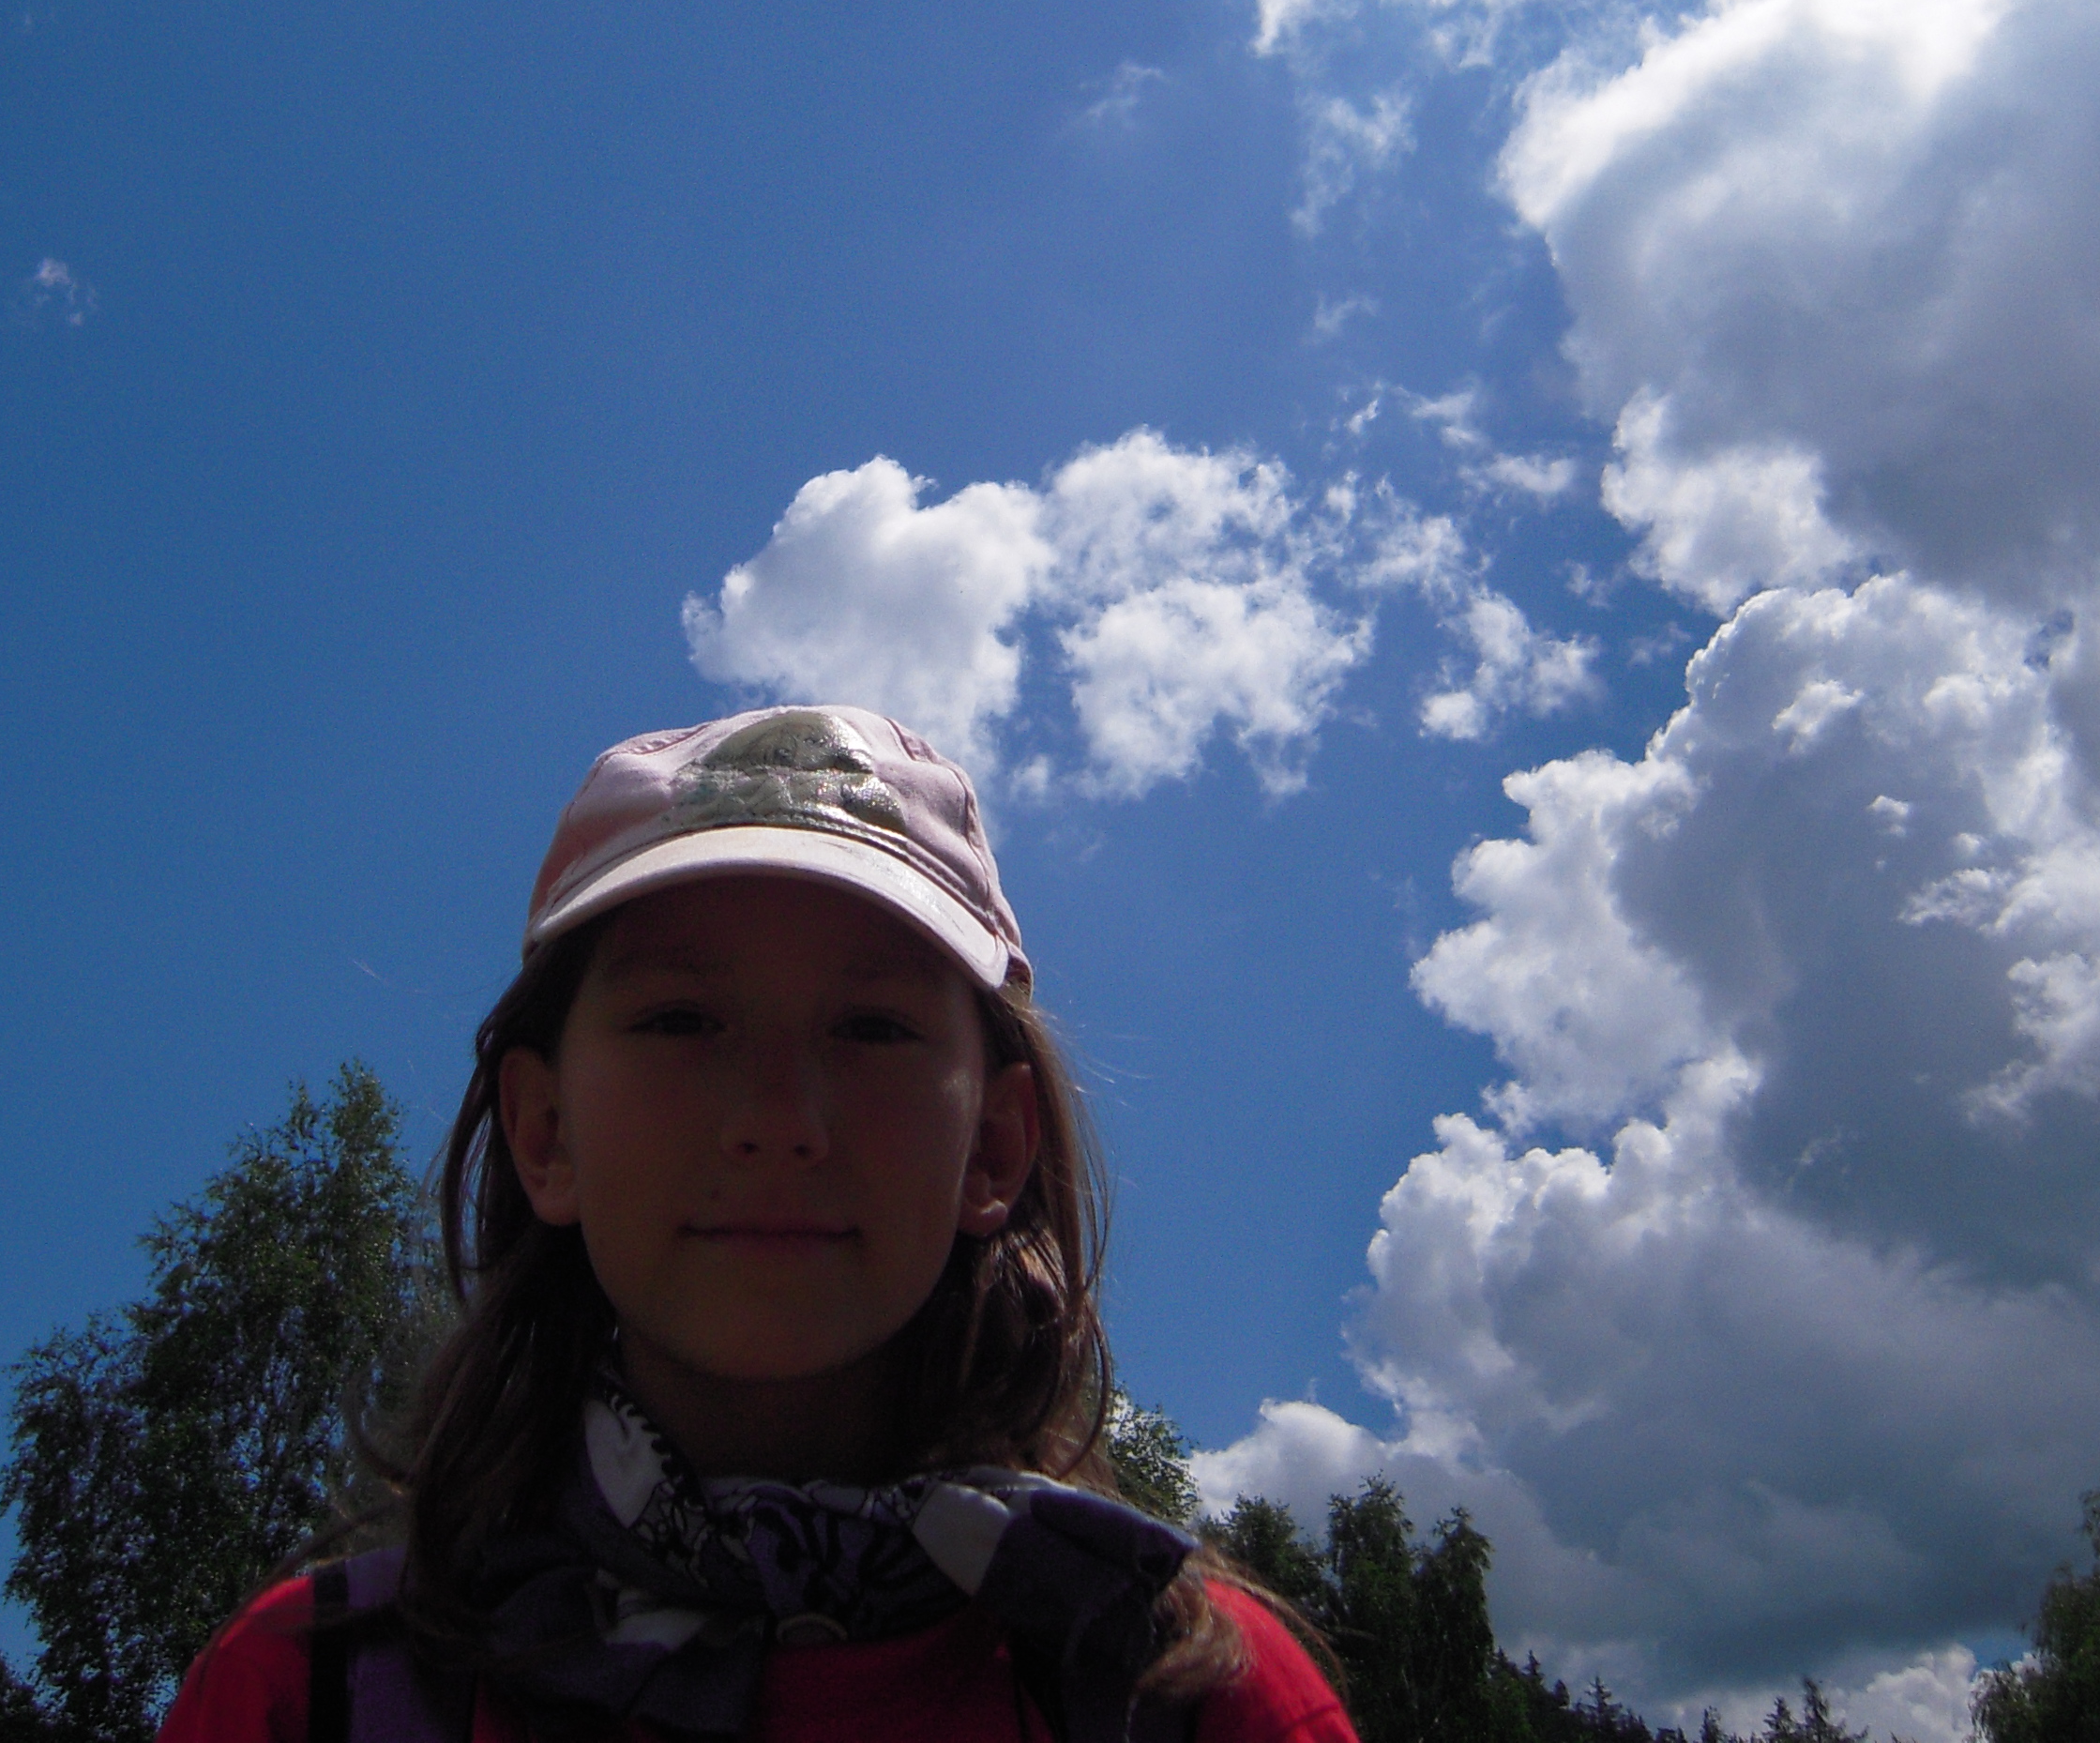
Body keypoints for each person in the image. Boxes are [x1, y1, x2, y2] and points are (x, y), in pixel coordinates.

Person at [158, 704, 1354, 1743]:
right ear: (545, 1134)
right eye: (681, 1022)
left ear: (993, 1148)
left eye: (872, 1029)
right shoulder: (299, 1698)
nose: (779, 1122)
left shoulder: (1196, 1699)